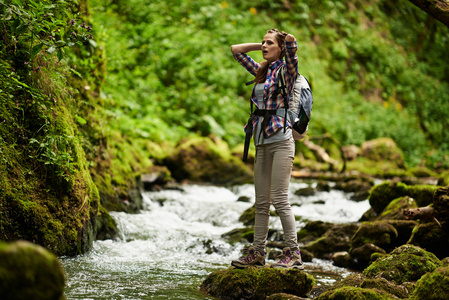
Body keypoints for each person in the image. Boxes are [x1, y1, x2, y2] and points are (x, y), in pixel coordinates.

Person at [230, 29, 304, 270]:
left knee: (280, 199)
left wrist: (287, 42)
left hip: (281, 140)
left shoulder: (286, 72)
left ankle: (293, 253)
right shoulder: (261, 70)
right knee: (261, 203)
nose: (263, 45)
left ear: (280, 48)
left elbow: (292, 55)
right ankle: (258, 253)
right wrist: (263, 46)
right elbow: (236, 50)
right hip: (261, 141)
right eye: (262, 42)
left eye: (269, 43)